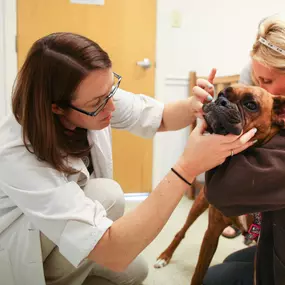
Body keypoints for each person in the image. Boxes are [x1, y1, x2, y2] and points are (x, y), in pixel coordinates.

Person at [0, 32, 256, 285]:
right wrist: (187, 168)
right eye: (99, 102)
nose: (112, 107)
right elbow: (114, 252)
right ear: (56, 108)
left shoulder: (93, 93)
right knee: (107, 197)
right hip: (23, 249)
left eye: (112, 91)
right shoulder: (17, 154)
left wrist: (193, 105)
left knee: (136, 272)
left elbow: (161, 117)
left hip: (67, 231)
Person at [198, 15, 285, 285]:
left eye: (267, 82)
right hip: (274, 235)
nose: (261, 88)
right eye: (257, 79)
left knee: (214, 279)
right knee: (229, 263)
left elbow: (222, 193)